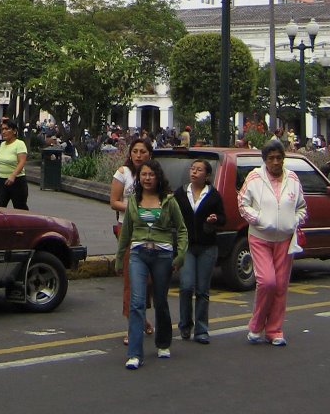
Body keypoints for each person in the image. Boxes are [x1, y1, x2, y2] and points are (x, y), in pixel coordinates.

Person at [116, 159, 187, 369]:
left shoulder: (169, 200)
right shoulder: (133, 201)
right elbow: (126, 231)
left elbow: (181, 229)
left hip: (163, 256)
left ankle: (163, 342)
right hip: (138, 254)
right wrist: (120, 258)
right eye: (144, 175)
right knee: (136, 303)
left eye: (151, 175)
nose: (147, 178)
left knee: (160, 302)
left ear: (158, 177)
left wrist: (180, 255)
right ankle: (134, 354)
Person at [238, 138, 307, 345]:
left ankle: (274, 329)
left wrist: (294, 221)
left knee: (280, 286)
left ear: (284, 158)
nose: (275, 162)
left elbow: (302, 207)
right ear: (265, 160)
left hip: (285, 240)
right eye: (271, 158)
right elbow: (242, 204)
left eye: (279, 158)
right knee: (267, 282)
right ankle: (256, 325)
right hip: (260, 237)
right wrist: (259, 220)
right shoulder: (254, 178)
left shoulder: (293, 179)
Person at [174, 158, 226, 343]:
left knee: (203, 290)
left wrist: (214, 219)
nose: (194, 172)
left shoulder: (213, 195)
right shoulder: (180, 193)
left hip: (207, 247)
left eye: (199, 170)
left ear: (207, 175)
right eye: (192, 169)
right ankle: (185, 324)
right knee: (186, 286)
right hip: (187, 247)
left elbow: (223, 218)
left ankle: (202, 329)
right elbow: (173, 217)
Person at [110, 136, 155, 342]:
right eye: (135, 151)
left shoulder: (152, 174)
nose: (138, 155)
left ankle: (141, 317)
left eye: (143, 152)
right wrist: (134, 209)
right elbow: (113, 201)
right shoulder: (123, 173)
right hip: (127, 230)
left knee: (146, 280)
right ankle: (132, 325)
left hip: (150, 230)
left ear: (149, 154)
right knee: (131, 278)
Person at [0, 120, 28, 209]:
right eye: (2, 129)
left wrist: (13, 175)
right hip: (2, 180)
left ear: (14, 131)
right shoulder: (2, 144)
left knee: (20, 208)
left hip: (17, 181)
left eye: (7, 129)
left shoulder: (19, 144)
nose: (4, 131)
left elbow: (22, 161)